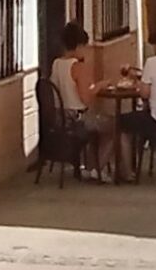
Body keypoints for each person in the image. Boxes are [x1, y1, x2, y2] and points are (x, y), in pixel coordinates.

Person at [45, 22, 120, 180]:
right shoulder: (77, 67)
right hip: (77, 119)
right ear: (78, 46)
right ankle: (96, 168)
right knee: (115, 126)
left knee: (100, 124)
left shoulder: (56, 64)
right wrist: (100, 85)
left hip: (59, 118)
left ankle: (90, 165)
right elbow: (86, 98)